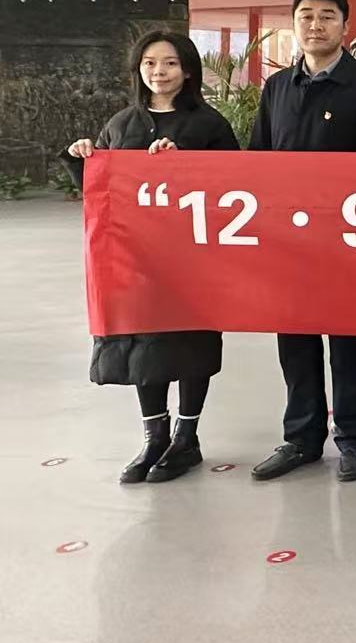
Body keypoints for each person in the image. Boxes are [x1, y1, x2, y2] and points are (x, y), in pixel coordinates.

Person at [66, 31, 239, 484]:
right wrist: (82, 158)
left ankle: (187, 438)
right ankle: (154, 438)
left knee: (192, 342)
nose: (159, 72)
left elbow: (234, 186)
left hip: (193, 257)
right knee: (145, 345)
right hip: (138, 260)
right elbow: (100, 192)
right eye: (149, 63)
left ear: (188, 70)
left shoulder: (210, 124)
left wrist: (183, 165)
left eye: (169, 63)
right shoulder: (121, 123)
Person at [249, 0, 356, 484]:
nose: (315, 25)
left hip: (349, 242)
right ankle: (301, 438)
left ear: (345, 26)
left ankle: (354, 437)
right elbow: (258, 161)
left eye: (327, 16)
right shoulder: (278, 88)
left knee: (350, 343)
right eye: (306, 16)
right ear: (294, 24)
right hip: (290, 244)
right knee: (295, 343)